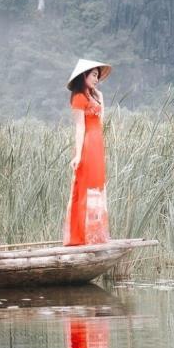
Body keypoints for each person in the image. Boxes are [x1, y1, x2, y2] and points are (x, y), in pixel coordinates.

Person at [64, 59, 112, 246]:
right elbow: (79, 127)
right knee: (86, 185)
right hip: (88, 145)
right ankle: (83, 236)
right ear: (83, 75)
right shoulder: (79, 98)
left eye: (98, 76)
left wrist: (100, 97)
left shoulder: (96, 96)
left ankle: (97, 234)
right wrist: (77, 155)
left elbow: (101, 121)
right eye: (93, 74)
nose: (96, 79)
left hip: (98, 143)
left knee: (98, 185)